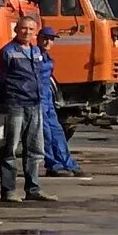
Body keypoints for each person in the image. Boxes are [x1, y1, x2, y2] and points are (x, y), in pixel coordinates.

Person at [0, 13, 50, 203]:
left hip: (35, 105)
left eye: (31, 29)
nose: (27, 32)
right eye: (24, 28)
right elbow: (0, 77)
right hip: (15, 105)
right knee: (10, 149)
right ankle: (8, 191)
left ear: (35, 33)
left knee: (35, 150)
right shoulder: (8, 51)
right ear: (16, 30)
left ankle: (33, 188)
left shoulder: (37, 52)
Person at [39, 28, 84, 176]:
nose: (48, 42)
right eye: (45, 38)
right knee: (46, 133)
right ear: (39, 38)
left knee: (57, 131)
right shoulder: (33, 54)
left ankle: (68, 163)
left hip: (48, 98)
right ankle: (53, 165)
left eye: (51, 39)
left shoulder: (47, 57)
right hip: (38, 98)